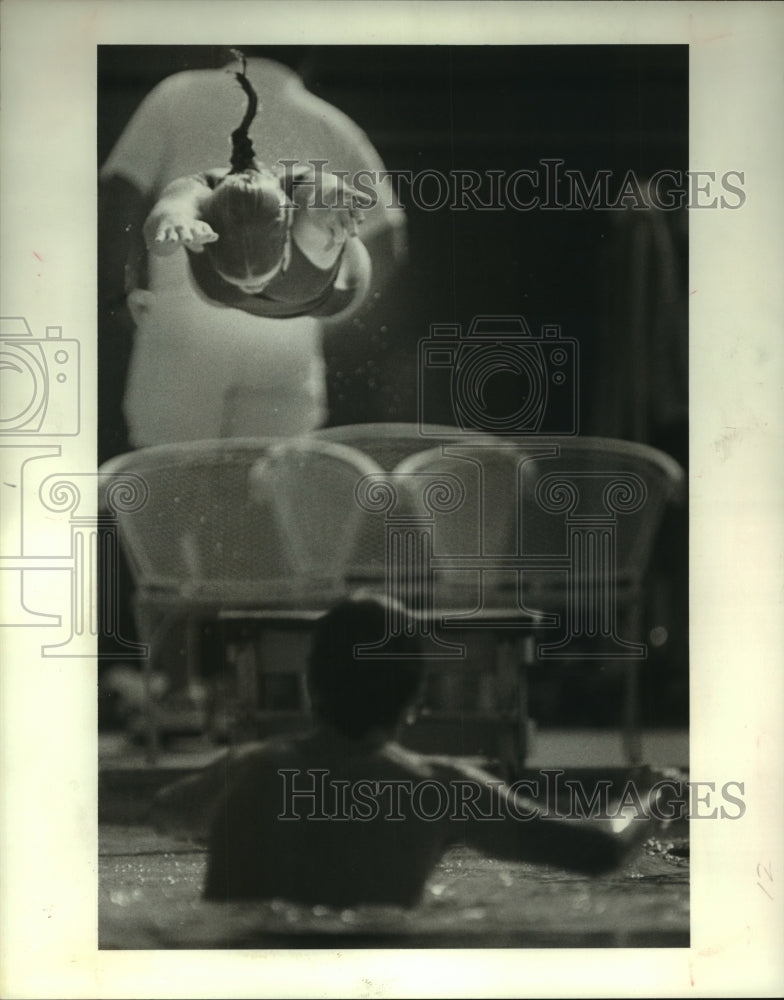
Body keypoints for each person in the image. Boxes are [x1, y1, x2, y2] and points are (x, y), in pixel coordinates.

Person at [150, 593, 659, 909]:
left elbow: (165, 810)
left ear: (311, 688)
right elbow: (601, 851)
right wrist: (653, 799)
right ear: (415, 698)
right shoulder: (439, 791)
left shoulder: (242, 772)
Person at [142, 53, 373, 322]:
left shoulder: (294, 193)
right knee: (179, 222)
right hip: (240, 282)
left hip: (325, 290)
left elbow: (320, 185)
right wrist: (172, 221)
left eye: (258, 280)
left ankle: (325, 217)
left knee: (314, 218)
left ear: (285, 240)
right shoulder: (200, 193)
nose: (253, 287)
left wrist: (333, 197)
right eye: (249, 282)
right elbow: (164, 226)